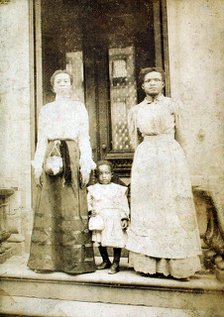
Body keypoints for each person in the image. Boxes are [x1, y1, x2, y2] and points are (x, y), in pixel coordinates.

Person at [126, 67, 202, 279]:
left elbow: (183, 136)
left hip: (170, 157)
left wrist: (184, 164)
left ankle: (177, 266)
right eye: (148, 80)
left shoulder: (173, 106)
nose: (152, 83)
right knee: (149, 208)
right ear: (142, 86)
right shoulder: (135, 111)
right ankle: (149, 263)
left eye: (156, 80)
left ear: (163, 84)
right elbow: (135, 142)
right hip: (146, 160)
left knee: (171, 207)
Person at [28, 69, 96, 274]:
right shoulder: (46, 109)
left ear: (71, 85)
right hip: (51, 154)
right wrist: (38, 165)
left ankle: (73, 262)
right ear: (53, 86)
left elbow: (84, 137)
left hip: (72, 156)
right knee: (50, 204)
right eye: (59, 81)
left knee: (70, 204)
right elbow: (41, 138)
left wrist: (86, 163)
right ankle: (46, 262)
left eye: (67, 81)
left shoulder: (78, 107)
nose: (63, 84)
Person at [87, 160, 130, 274]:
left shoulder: (117, 189)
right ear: (97, 176)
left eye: (106, 173)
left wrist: (124, 217)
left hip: (115, 218)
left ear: (111, 174)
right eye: (101, 174)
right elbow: (89, 202)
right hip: (101, 218)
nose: (104, 176)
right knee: (100, 240)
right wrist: (91, 211)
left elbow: (123, 203)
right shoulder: (93, 189)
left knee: (116, 239)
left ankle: (116, 262)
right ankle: (105, 260)